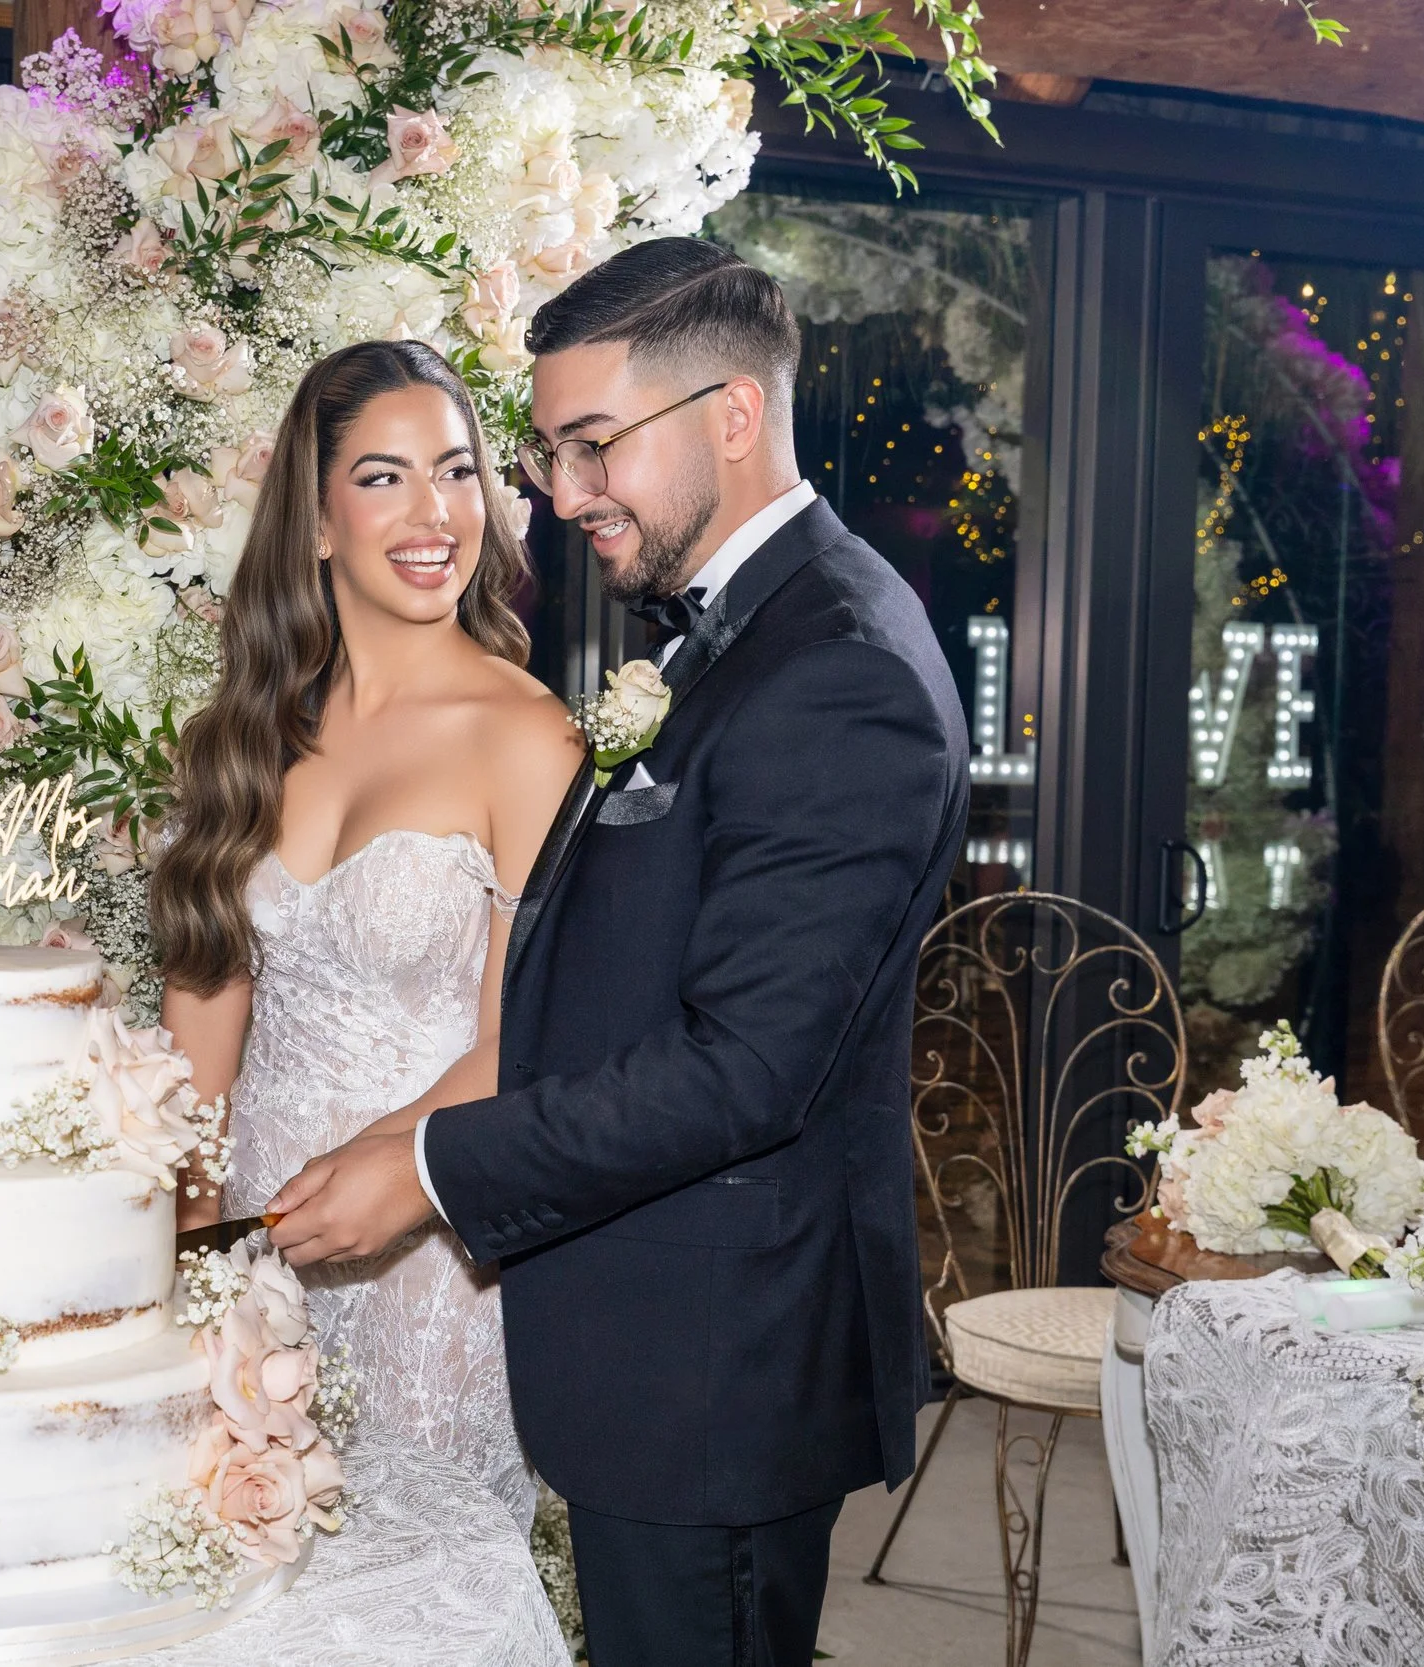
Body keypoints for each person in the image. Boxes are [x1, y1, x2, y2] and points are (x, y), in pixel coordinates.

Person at [266, 238, 970, 1667]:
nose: (558, 492)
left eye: (593, 447)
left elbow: (748, 1067)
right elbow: (607, 966)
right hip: (663, 1337)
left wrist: (424, 1167)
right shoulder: (732, 635)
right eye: (549, 449)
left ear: (730, 414)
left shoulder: (840, 667)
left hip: (726, 1361)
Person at [151, 338, 587, 1532]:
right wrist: (195, 1236)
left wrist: (382, 1176)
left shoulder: (528, 736)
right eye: (384, 477)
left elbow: (527, 1040)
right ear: (317, 520)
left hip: (428, 1253)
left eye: (455, 471)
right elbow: (198, 1042)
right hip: (250, 1246)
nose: (434, 511)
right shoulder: (248, 732)